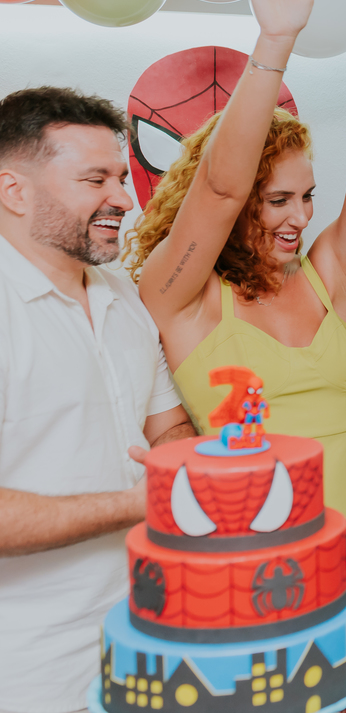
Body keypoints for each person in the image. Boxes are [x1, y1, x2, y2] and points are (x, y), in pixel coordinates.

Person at [122, 0, 346, 707]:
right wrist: (274, 44)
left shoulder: (327, 279)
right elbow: (219, 190)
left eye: (307, 197)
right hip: (243, 580)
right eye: (278, 200)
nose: (298, 217)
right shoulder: (183, 297)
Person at [0, 87, 194, 713]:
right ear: (14, 191)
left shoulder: (121, 291)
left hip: (148, 640)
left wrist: (197, 469)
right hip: (30, 672)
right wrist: (142, 503)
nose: (123, 199)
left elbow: (167, 424)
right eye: (94, 181)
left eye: (120, 177)